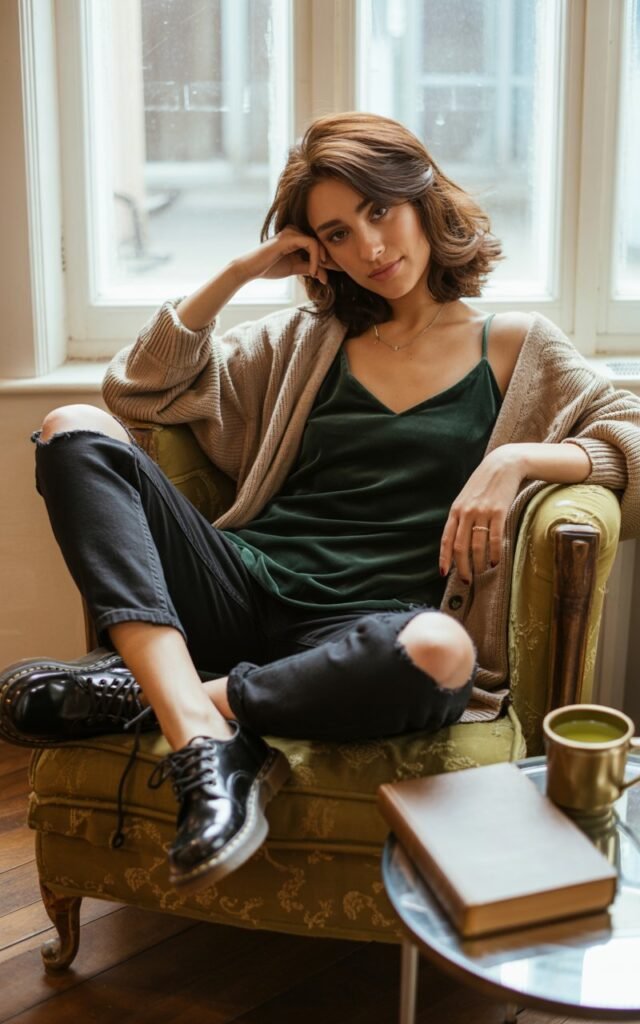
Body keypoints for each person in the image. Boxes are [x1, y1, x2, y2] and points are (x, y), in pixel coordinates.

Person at [2, 112, 640, 892]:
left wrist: (515, 458)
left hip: (363, 632)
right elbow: (137, 390)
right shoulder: (306, 337)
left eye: (379, 211)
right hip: (239, 587)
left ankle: (170, 699)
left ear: (423, 196)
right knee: (72, 426)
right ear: (318, 252)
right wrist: (243, 271)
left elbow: (630, 435)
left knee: (443, 652)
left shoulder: (514, 345)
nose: (369, 248)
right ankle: (203, 728)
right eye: (337, 233)